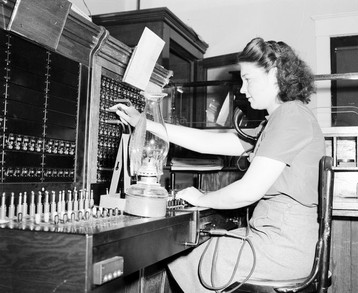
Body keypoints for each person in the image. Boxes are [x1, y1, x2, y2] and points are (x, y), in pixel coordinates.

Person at [110, 37, 325, 292]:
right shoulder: (280, 119)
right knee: (192, 249)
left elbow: (248, 191)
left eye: (249, 79)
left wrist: (202, 198)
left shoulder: (290, 116)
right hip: (283, 243)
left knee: (177, 253)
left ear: (274, 75)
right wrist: (145, 122)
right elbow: (209, 143)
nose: (243, 90)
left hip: (280, 250)